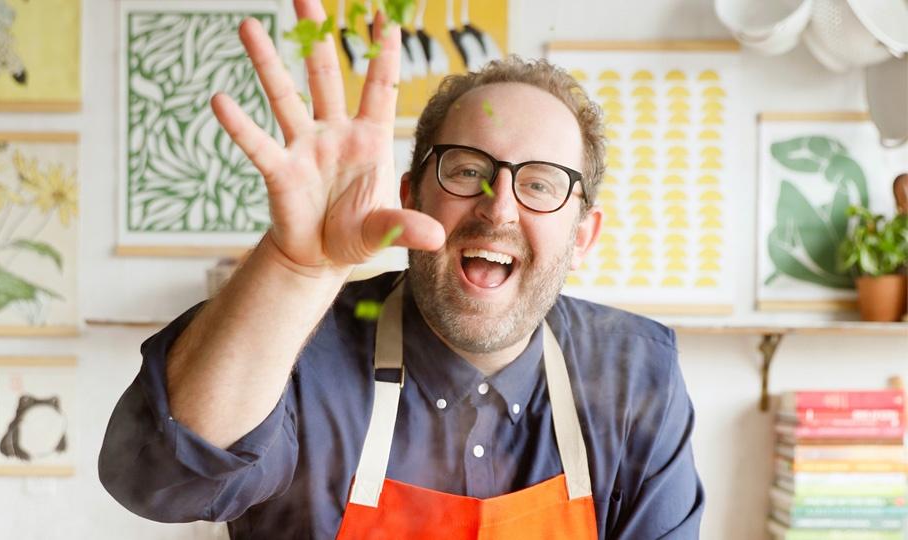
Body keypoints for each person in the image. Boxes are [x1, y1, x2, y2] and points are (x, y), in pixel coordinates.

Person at [98, 1, 705, 538]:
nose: (499, 208)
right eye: (467, 170)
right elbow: (161, 480)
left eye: (541, 183)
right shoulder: (305, 350)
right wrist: (293, 267)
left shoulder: (635, 379)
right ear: (411, 196)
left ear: (582, 236)